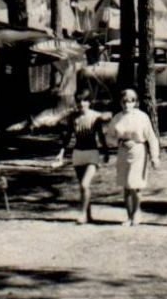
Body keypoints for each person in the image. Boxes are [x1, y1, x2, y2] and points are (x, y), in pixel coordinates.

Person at [105, 88, 159, 226]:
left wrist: (155, 157)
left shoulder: (142, 117)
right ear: (120, 103)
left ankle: (136, 213)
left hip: (139, 151)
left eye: (131, 101)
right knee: (127, 185)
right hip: (123, 153)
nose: (127, 105)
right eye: (124, 102)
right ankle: (129, 216)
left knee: (136, 185)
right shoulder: (117, 118)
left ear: (136, 102)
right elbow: (109, 137)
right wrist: (119, 141)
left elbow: (152, 138)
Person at [62, 90, 111, 224]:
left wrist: (106, 151)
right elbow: (68, 136)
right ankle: (88, 216)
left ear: (89, 102)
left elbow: (100, 135)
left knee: (85, 184)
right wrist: (61, 153)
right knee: (83, 187)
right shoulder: (73, 117)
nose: (81, 104)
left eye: (84, 101)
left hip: (92, 154)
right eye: (78, 101)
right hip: (78, 154)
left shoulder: (96, 117)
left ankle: (82, 214)